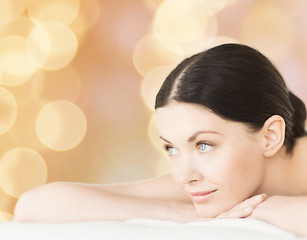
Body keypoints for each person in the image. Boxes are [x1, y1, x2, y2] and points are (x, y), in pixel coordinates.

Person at [14, 43, 307, 237]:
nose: (183, 176)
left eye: (204, 145)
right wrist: (179, 214)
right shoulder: (210, 183)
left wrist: (263, 210)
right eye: (171, 148)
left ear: (270, 136)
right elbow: (34, 205)